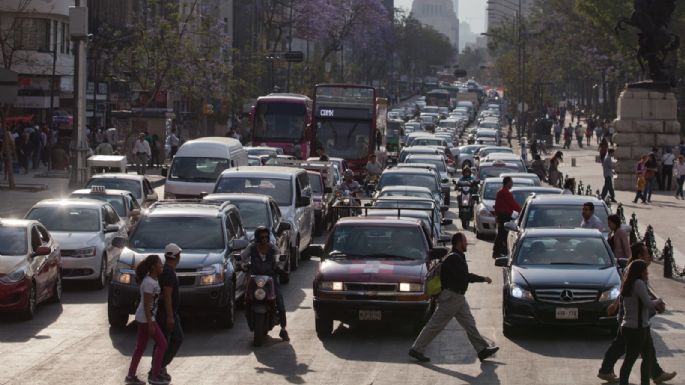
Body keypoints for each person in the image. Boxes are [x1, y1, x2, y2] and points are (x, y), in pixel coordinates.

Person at [409, 232, 499, 363]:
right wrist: (483, 279)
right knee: (435, 325)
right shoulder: (454, 258)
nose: (466, 243)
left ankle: (482, 350)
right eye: (465, 241)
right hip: (451, 297)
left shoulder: (456, 256)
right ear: (459, 242)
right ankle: (416, 349)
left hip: (458, 297)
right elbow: (464, 276)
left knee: (469, 324)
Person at [597, 245, 676, 384]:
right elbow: (645, 299)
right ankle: (607, 370)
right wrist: (659, 302)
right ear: (639, 256)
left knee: (647, 351)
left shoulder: (635, 272)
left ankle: (655, 374)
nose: (649, 257)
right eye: (646, 254)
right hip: (633, 323)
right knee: (626, 351)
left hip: (638, 322)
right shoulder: (635, 275)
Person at [618, 260, 663, 385]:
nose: (647, 274)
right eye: (646, 271)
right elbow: (648, 304)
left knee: (647, 357)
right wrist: (659, 301)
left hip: (637, 326)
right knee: (631, 359)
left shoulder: (629, 283)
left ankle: (644, 382)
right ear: (641, 272)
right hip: (636, 328)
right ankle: (625, 382)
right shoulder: (638, 283)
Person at [241, 227, 289, 342]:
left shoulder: (273, 248)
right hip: (255, 279)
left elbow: (279, 258)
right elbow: (242, 257)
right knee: (246, 299)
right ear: (257, 238)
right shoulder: (251, 248)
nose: (264, 239)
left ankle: (283, 329)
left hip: (270, 279)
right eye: (261, 237)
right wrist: (243, 265)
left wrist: (279, 267)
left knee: (280, 303)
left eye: (266, 237)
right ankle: (249, 314)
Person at [126, 254, 169, 385]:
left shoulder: (153, 280)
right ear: (153, 266)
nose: (162, 266)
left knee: (140, 347)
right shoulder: (149, 282)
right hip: (146, 319)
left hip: (145, 318)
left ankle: (131, 376)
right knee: (162, 344)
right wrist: (151, 323)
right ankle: (155, 376)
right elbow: (146, 305)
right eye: (160, 264)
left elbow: (152, 300)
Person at [153, 244, 184, 383]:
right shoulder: (168, 273)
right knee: (176, 339)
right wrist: (170, 316)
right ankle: (158, 368)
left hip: (167, 312)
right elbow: (167, 295)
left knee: (163, 342)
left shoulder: (168, 271)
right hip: (166, 314)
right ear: (176, 256)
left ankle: (158, 368)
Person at [493, 176, 521, 258]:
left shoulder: (500, 192)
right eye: (511, 182)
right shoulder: (505, 193)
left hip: (501, 216)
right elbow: (513, 204)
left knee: (501, 235)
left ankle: (498, 251)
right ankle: (500, 252)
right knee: (504, 235)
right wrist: (521, 210)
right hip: (504, 216)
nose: (512, 184)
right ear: (507, 183)